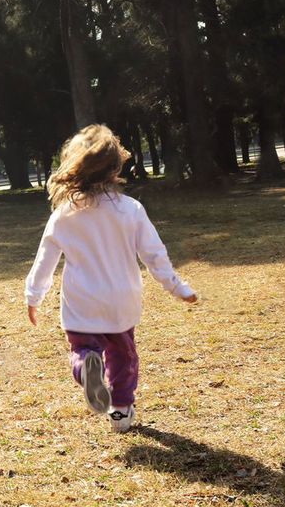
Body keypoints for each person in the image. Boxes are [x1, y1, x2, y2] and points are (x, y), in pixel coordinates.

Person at [25, 124, 198, 432]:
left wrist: (33, 296)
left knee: (82, 349)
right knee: (122, 357)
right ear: (116, 167)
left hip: (81, 303)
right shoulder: (130, 210)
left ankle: (86, 366)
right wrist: (177, 287)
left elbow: (45, 259)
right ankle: (120, 412)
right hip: (121, 300)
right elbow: (154, 254)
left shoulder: (64, 214)